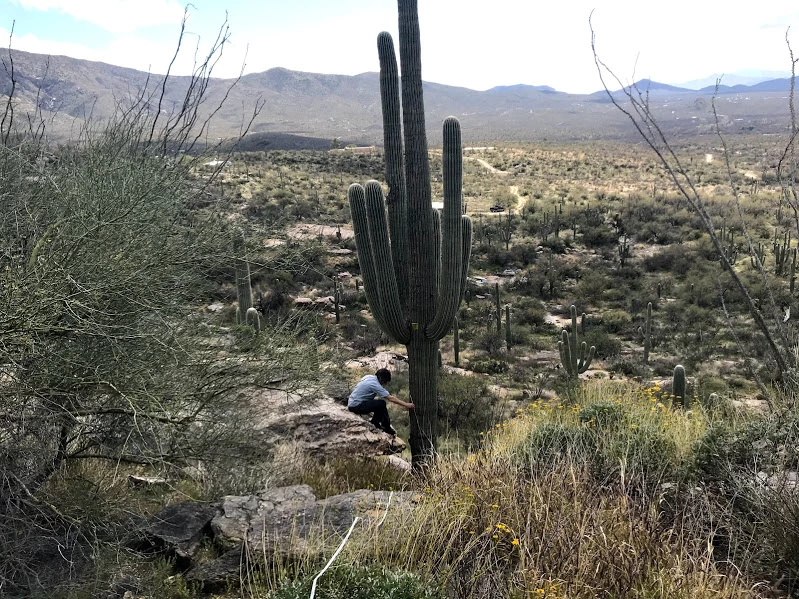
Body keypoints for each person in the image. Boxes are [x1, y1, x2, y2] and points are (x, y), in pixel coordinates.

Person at [347, 368, 414, 436]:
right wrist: (406, 405)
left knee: (378, 403)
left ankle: (380, 423)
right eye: (385, 382)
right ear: (381, 379)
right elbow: (391, 398)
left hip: (352, 402)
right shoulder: (375, 384)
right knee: (381, 404)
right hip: (356, 406)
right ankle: (383, 426)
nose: (385, 384)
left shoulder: (368, 377)